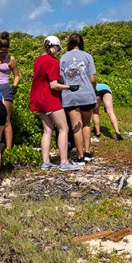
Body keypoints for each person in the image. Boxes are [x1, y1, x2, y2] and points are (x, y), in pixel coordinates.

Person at [28, 36, 81, 171]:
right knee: (64, 129)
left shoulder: (39, 60)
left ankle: (46, 162)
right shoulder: (53, 62)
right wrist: (69, 87)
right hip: (49, 99)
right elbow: (53, 85)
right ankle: (64, 162)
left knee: (47, 130)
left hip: (38, 99)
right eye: (57, 48)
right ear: (54, 46)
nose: (57, 51)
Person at [60, 33, 97, 163]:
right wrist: (93, 91)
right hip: (87, 94)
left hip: (70, 96)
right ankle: (87, 152)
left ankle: (80, 156)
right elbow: (92, 78)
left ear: (69, 43)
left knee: (76, 127)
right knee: (86, 123)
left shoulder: (63, 58)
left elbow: (60, 78)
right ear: (81, 43)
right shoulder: (87, 56)